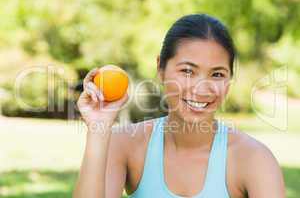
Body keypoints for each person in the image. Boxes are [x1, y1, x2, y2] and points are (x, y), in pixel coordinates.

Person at [73, 13, 285, 198]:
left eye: (217, 74)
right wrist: (98, 130)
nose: (202, 89)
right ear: (160, 68)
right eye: (187, 71)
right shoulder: (125, 146)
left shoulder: (254, 159)